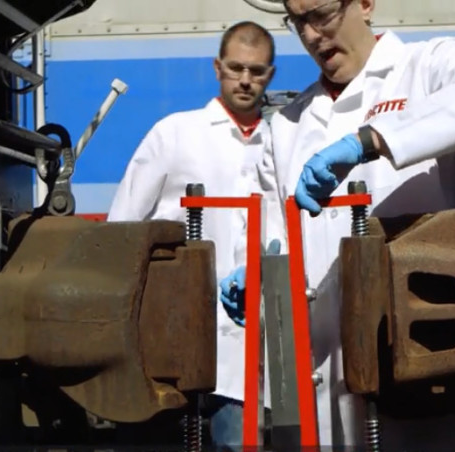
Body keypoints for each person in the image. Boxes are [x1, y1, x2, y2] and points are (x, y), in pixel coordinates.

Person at [222, 0, 455, 447]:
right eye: (298, 21)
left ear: (364, 4)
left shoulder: (429, 65)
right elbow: (273, 238)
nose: (311, 35)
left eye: (321, 14)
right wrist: (260, 276)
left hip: (419, 378)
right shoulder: (286, 125)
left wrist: (372, 140)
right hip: (319, 394)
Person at [107, 21, 278, 449]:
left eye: (256, 71)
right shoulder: (175, 134)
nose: (245, 80)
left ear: (270, 75)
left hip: (245, 355)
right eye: (236, 68)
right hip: (166, 342)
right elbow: (122, 229)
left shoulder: (281, 144)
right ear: (217, 67)